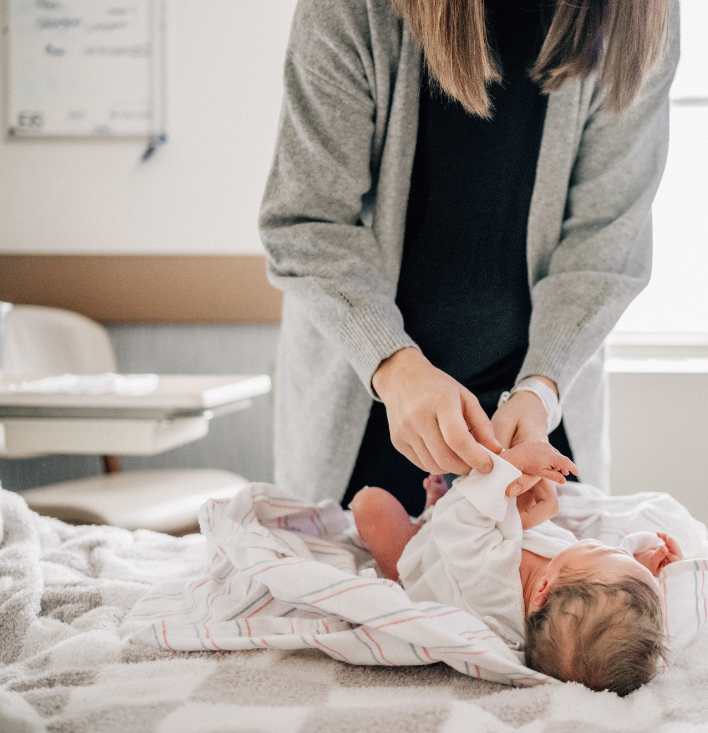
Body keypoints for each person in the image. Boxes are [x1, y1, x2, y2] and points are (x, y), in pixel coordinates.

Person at [259, 0, 679, 513]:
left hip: (541, 416)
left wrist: (541, 388)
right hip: (363, 415)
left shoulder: (636, 13)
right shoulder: (354, 9)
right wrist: (394, 367)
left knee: (563, 586)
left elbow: (605, 239)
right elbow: (308, 222)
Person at [350, 440, 682, 695]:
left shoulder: (493, 585)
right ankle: (436, 507)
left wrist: (509, 467)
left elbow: (456, 526)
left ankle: (404, 550)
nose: (609, 545)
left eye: (599, 549)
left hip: (429, 557)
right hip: (469, 543)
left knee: (370, 504)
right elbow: (609, 590)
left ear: (544, 589)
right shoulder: (565, 590)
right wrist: (643, 567)